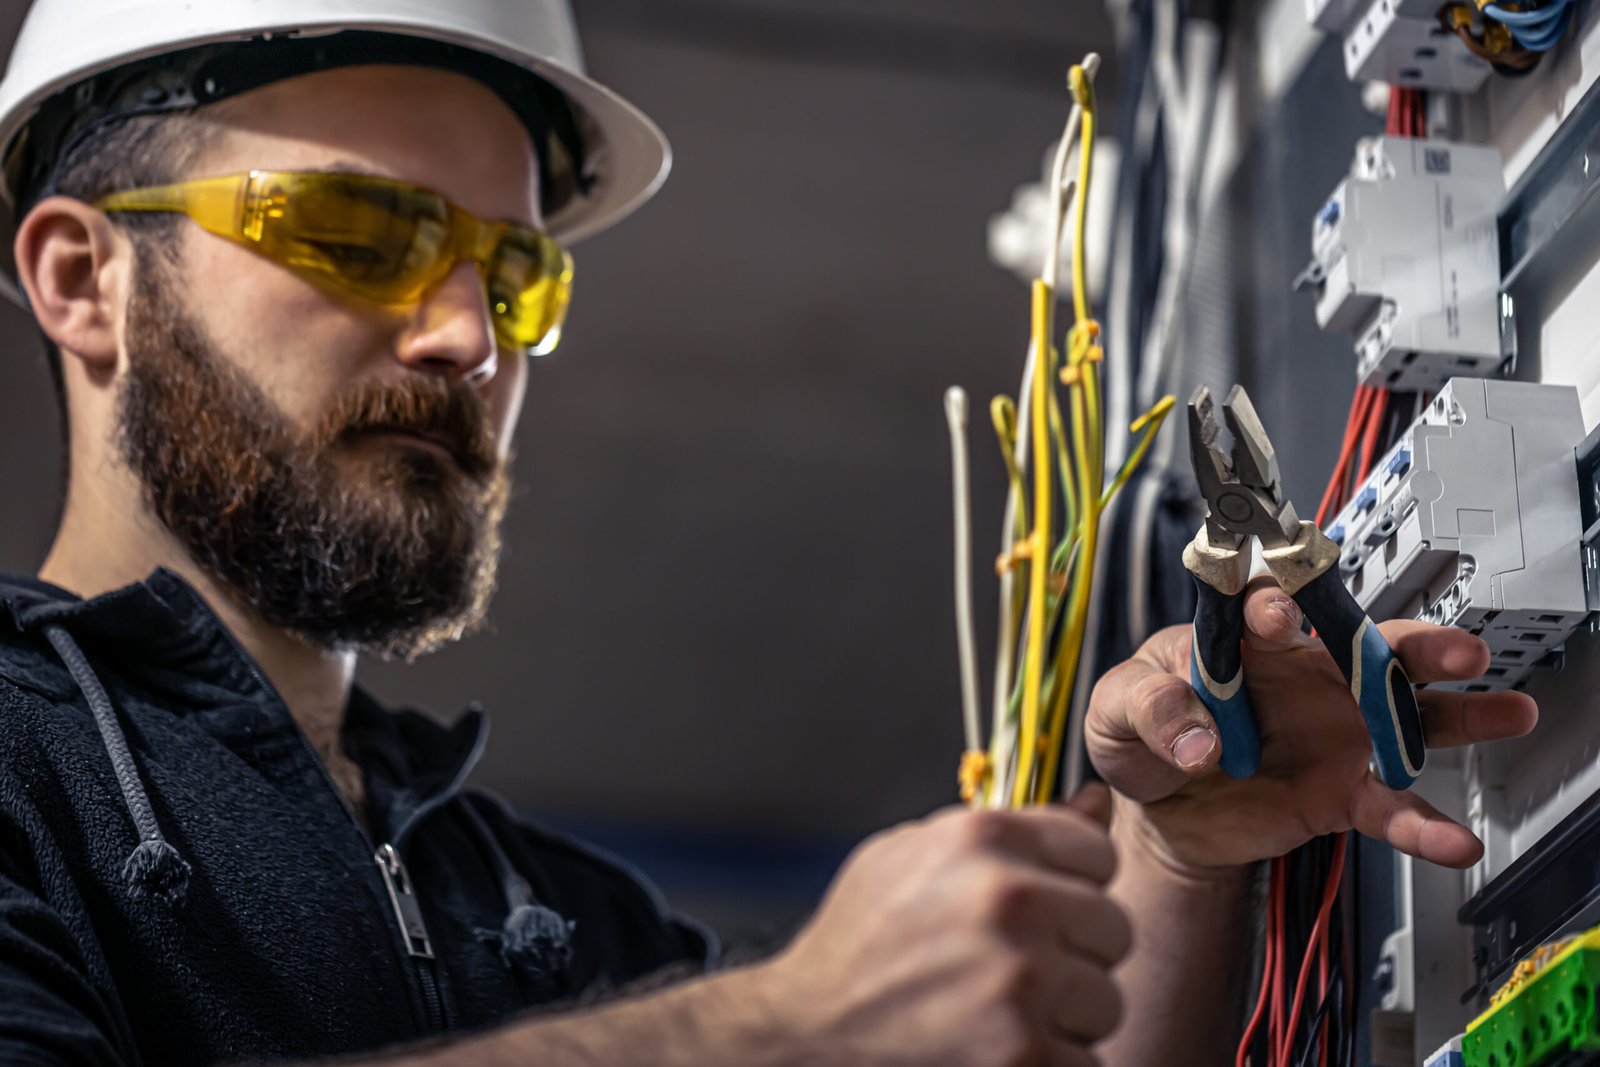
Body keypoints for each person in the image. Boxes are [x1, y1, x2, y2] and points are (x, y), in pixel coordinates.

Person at [0, 2, 1539, 1064]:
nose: (471, 336)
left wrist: (1182, 851)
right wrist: (781, 1029)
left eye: (516, 274)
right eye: (357, 235)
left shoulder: (554, 922)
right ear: (83, 281)